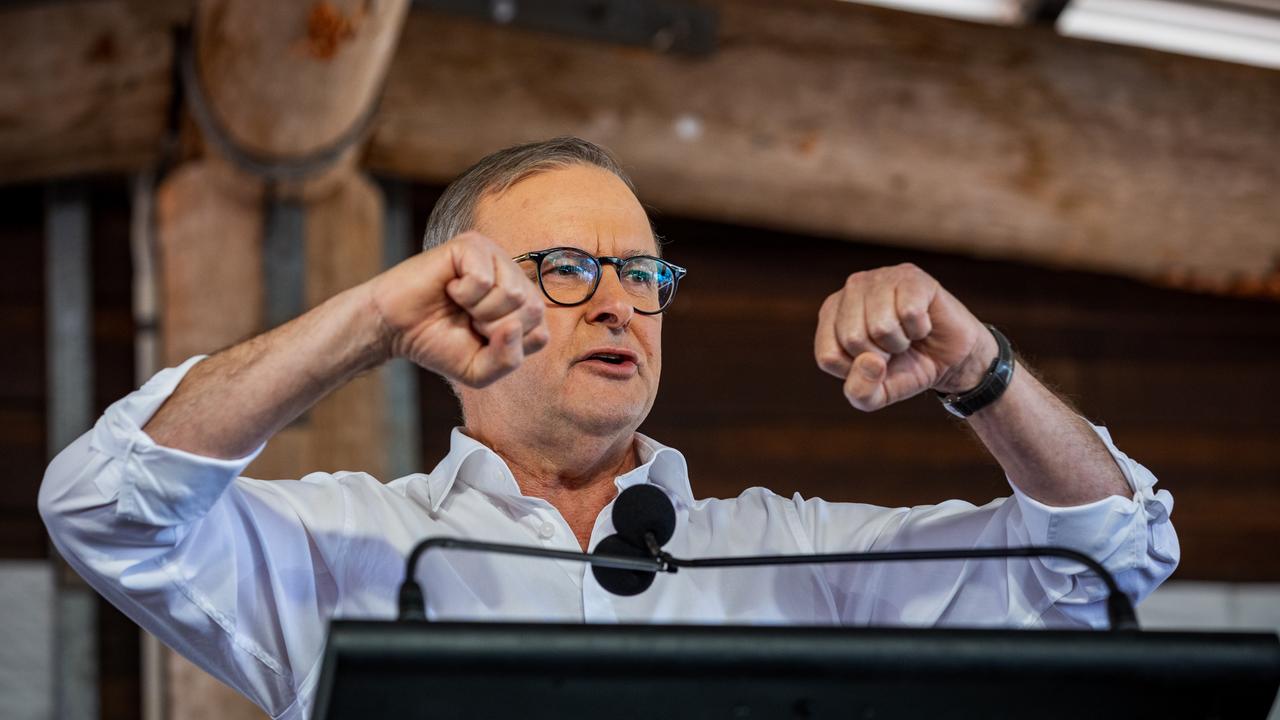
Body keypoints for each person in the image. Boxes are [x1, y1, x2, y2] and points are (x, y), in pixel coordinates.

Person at [40, 137, 1178, 719]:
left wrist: (979, 371)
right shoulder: (343, 548)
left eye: (641, 273)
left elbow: (1106, 560)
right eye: (570, 268)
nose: (619, 302)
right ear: (453, 294)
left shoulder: (796, 558)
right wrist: (366, 322)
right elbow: (106, 508)